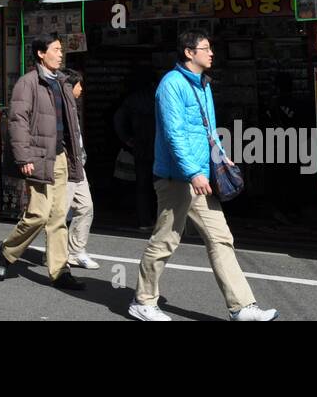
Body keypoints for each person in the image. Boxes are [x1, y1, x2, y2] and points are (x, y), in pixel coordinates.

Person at [129, 30, 278, 322]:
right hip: (176, 179)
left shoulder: (203, 85)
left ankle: (242, 307)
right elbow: (175, 135)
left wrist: (220, 156)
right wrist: (193, 172)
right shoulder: (171, 84)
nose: (211, 53)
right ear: (188, 52)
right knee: (166, 239)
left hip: (198, 176)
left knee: (220, 237)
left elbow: (209, 131)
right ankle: (142, 301)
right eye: (206, 48)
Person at [0, 35, 86, 291]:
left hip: (61, 157)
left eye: (61, 49)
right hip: (38, 157)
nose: (60, 54)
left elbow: (70, 124)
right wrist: (23, 157)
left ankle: (60, 271)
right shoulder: (28, 83)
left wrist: (74, 155)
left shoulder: (63, 83)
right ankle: (7, 253)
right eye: (56, 49)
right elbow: (17, 121)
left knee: (57, 217)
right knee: (38, 215)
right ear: (41, 53)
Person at [63, 70, 98, 271]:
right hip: (64, 166)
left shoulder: (73, 108)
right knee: (57, 215)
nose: (82, 89)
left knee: (86, 206)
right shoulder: (59, 107)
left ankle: (76, 251)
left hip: (77, 166)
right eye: (79, 85)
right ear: (70, 86)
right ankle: (56, 253)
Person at [114, 79, 158, 232]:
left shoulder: (133, 99)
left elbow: (118, 119)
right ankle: (159, 219)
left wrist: (126, 139)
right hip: (159, 147)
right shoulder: (160, 97)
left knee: (142, 185)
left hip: (140, 145)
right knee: (161, 185)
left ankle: (144, 220)